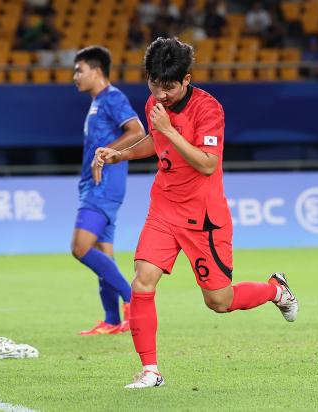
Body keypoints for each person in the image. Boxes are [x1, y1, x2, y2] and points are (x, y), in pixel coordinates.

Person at [93, 38, 298, 388]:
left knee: (219, 300)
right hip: (164, 208)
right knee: (142, 281)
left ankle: (274, 289)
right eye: (153, 85)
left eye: (168, 87)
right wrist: (120, 154)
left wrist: (170, 129)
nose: (159, 94)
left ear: (186, 79)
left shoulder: (209, 110)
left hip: (204, 218)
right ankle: (151, 371)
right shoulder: (155, 103)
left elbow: (206, 164)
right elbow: (156, 142)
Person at [71, 46, 145, 335]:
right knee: (104, 253)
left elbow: (138, 131)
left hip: (103, 187)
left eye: (80, 70)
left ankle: (132, 299)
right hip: (96, 186)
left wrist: (105, 152)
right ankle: (113, 320)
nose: (75, 76)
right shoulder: (97, 102)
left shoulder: (113, 98)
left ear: (97, 71)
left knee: (80, 248)